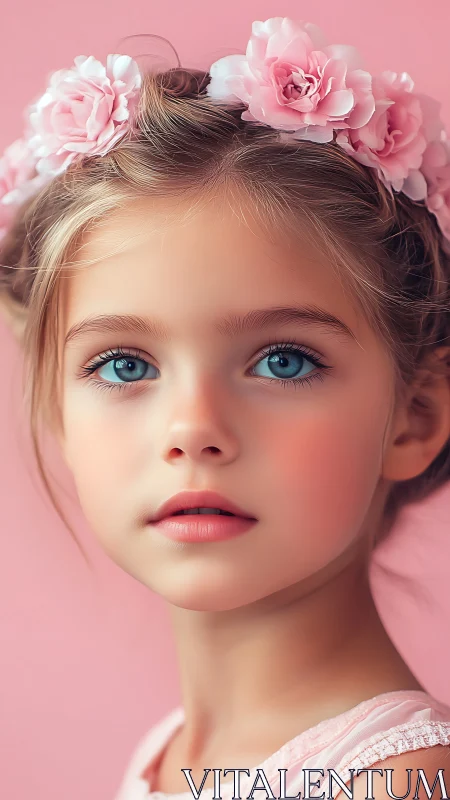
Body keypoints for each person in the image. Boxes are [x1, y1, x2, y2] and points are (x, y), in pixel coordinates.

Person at [1, 15, 450, 800]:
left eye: (283, 361)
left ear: (413, 416)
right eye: (124, 364)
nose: (193, 430)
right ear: (57, 410)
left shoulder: (401, 783)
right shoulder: (171, 755)